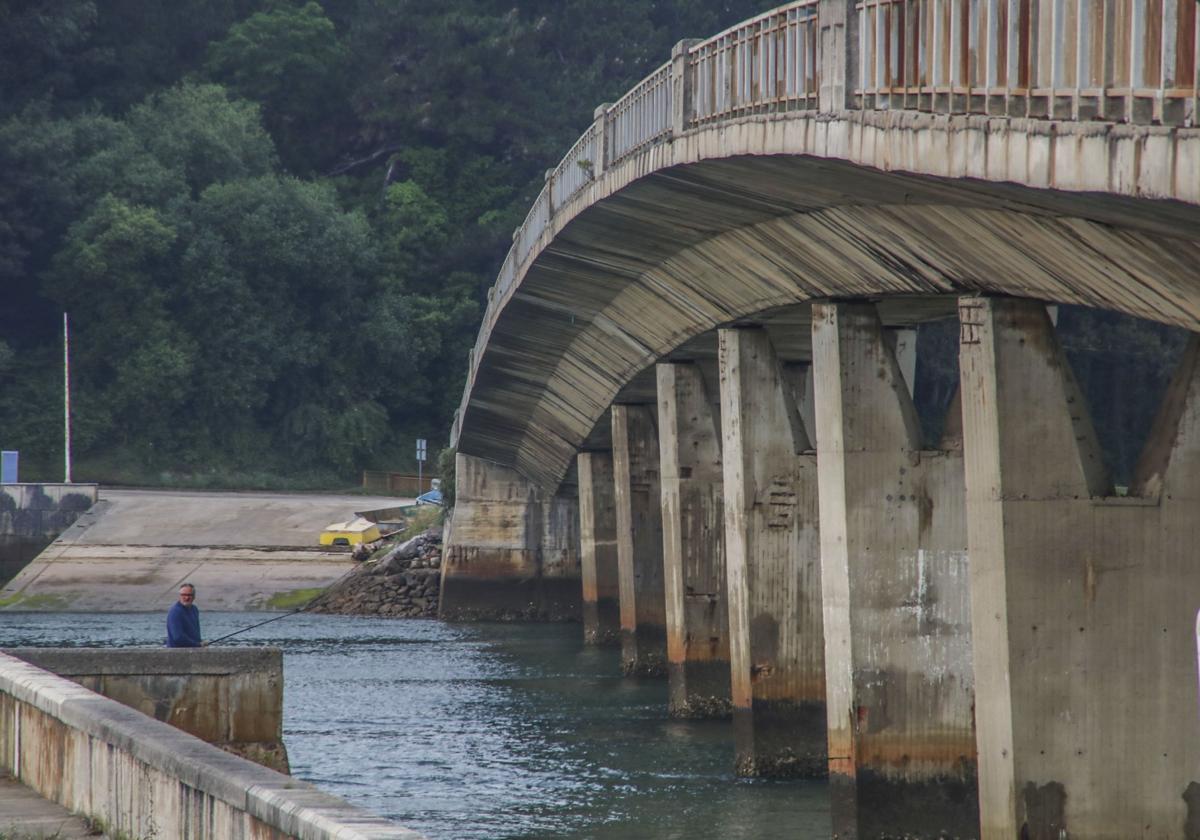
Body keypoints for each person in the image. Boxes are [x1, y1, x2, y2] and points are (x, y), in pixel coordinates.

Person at [166, 582, 203, 647]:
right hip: (177, 653)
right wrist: (197, 644)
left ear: (194, 596)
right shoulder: (175, 612)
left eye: (189, 595)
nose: (186, 597)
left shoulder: (194, 609)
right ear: (179, 596)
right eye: (183, 595)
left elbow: (196, 633)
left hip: (194, 651)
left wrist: (200, 642)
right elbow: (178, 638)